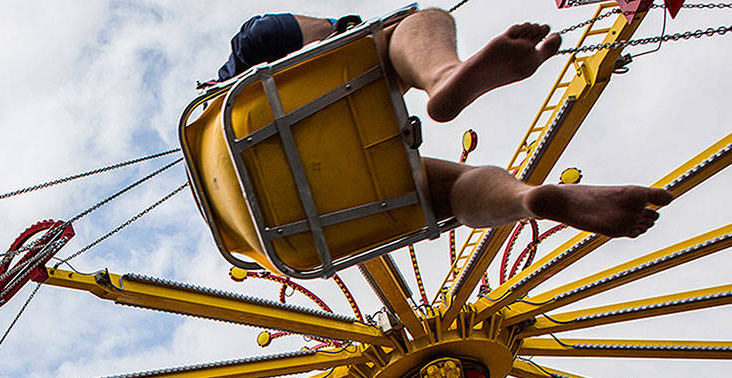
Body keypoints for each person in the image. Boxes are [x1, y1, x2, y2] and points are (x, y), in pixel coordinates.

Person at [213, 9, 672, 240]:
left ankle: (529, 200)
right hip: (273, 118)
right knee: (408, 27)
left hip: (282, 224)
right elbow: (332, 41)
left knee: (451, 193)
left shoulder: (208, 146)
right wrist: (349, 33)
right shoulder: (249, 55)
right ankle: (443, 76)